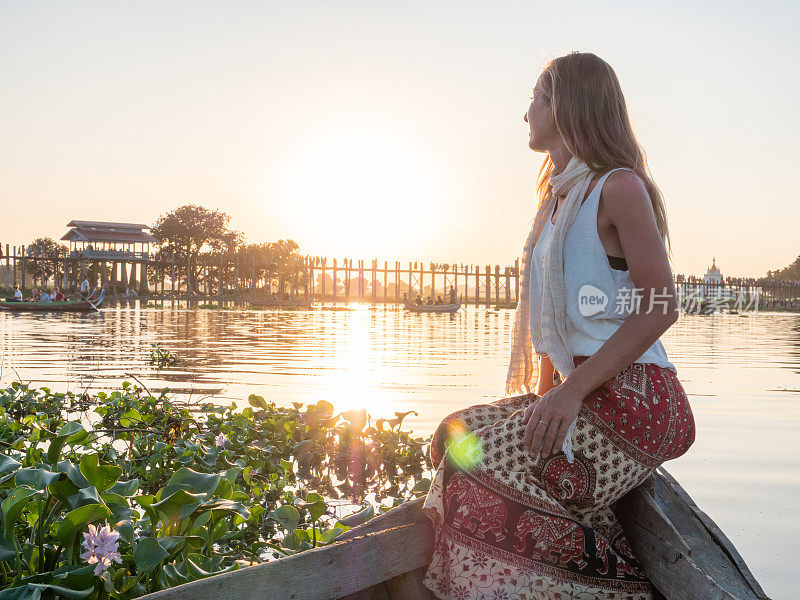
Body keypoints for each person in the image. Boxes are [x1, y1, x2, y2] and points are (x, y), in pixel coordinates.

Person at [421, 52, 695, 600]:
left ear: (568, 104)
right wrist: (542, 401)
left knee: (474, 479)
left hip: (637, 398)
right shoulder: (555, 199)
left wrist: (567, 396)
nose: (527, 113)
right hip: (581, 392)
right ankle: (595, 552)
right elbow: (554, 331)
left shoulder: (619, 188)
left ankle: (622, 591)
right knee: (453, 434)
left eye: (538, 97)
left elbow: (662, 304)